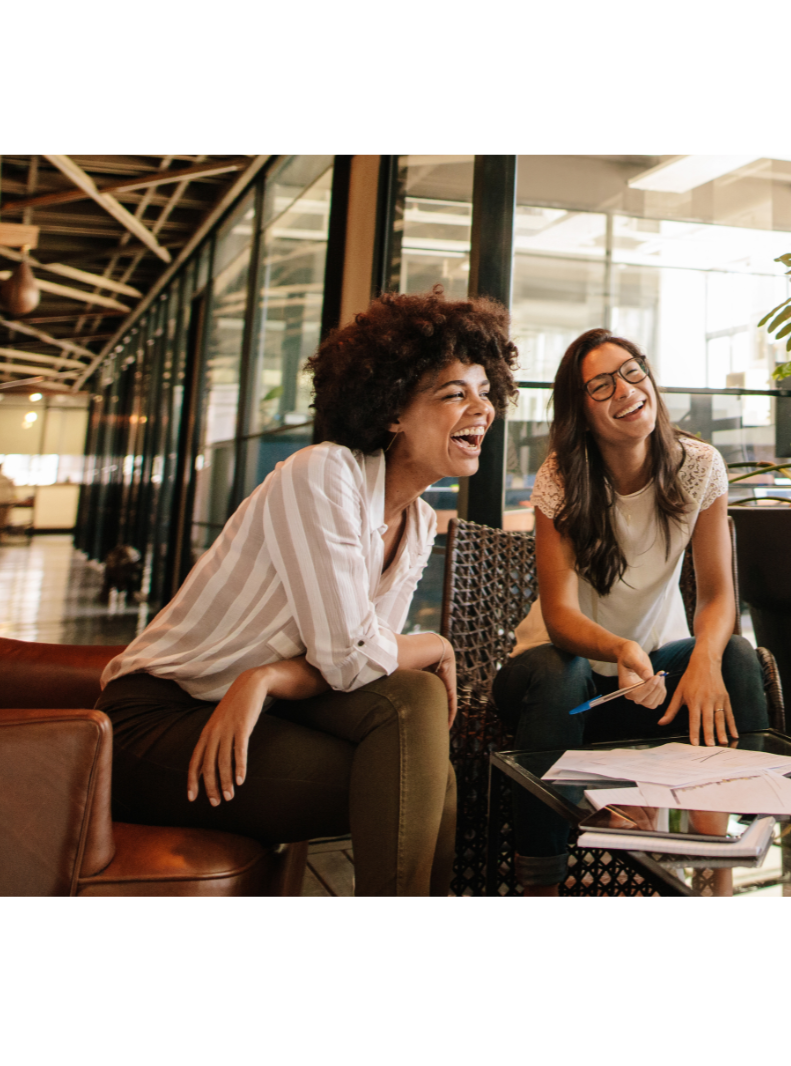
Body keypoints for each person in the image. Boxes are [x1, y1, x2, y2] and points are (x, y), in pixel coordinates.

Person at [94, 287, 518, 895]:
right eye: (454, 393)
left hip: (260, 705)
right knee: (416, 770)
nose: (480, 408)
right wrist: (436, 644)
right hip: (156, 722)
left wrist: (263, 679)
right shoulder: (323, 473)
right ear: (393, 410)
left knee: (415, 710)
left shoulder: (419, 521)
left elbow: (363, 666)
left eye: (485, 391)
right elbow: (353, 658)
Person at [493, 329, 770, 895]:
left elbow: (718, 594)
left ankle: (717, 872)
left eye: (632, 371)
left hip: (640, 687)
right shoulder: (562, 480)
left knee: (734, 658)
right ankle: (538, 883)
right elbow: (560, 616)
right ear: (581, 412)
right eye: (601, 385)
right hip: (558, 692)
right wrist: (621, 648)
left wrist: (706, 660)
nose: (625, 388)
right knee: (558, 669)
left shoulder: (699, 466)